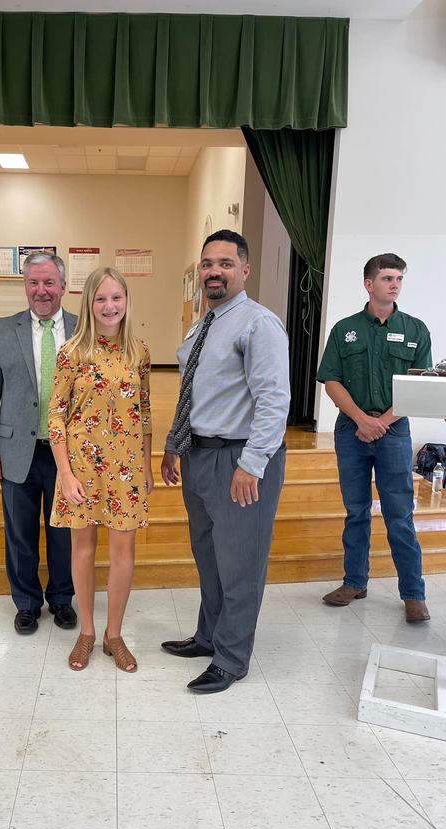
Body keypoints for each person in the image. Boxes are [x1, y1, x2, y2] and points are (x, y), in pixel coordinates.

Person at [160, 229, 290, 694]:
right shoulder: (203, 324)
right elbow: (194, 392)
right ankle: (207, 637)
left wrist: (252, 464)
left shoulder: (259, 324)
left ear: (245, 270)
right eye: (208, 264)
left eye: (225, 263)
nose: (214, 271)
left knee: (240, 565)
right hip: (200, 456)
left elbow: (275, 400)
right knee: (210, 558)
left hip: (240, 460)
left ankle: (232, 659)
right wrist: (176, 444)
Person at [317, 253, 432, 623]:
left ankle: (413, 594)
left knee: (400, 514)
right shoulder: (344, 329)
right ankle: (354, 582)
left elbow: (420, 385)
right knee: (356, 511)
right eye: (386, 278)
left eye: (398, 277)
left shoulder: (416, 330)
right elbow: (331, 379)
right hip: (351, 430)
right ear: (369, 284)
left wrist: (381, 421)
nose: (394, 283)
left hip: (394, 431)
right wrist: (360, 420)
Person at [48, 267, 153, 672]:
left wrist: (145, 467)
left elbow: (144, 413)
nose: (110, 306)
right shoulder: (72, 352)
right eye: (101, 299)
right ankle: (87, 633)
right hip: (81, 467)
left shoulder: (139, 352)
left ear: (126, 301)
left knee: (123, 551)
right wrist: (65, 474)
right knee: (84, 548)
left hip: (126, 467)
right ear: (89, 304)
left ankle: (114, 635)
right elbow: (56, 417)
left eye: (117, 298)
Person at [0, 251, 78, 635]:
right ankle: (27, 603)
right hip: (17, 450)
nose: (41, 290)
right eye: (33, 283)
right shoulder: (1, 330)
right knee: (19, 533)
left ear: (64, 287)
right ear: (25, 287)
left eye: (49, 282)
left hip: (67, 456)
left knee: (64, 533)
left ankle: (63, 599)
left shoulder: (84, 330)